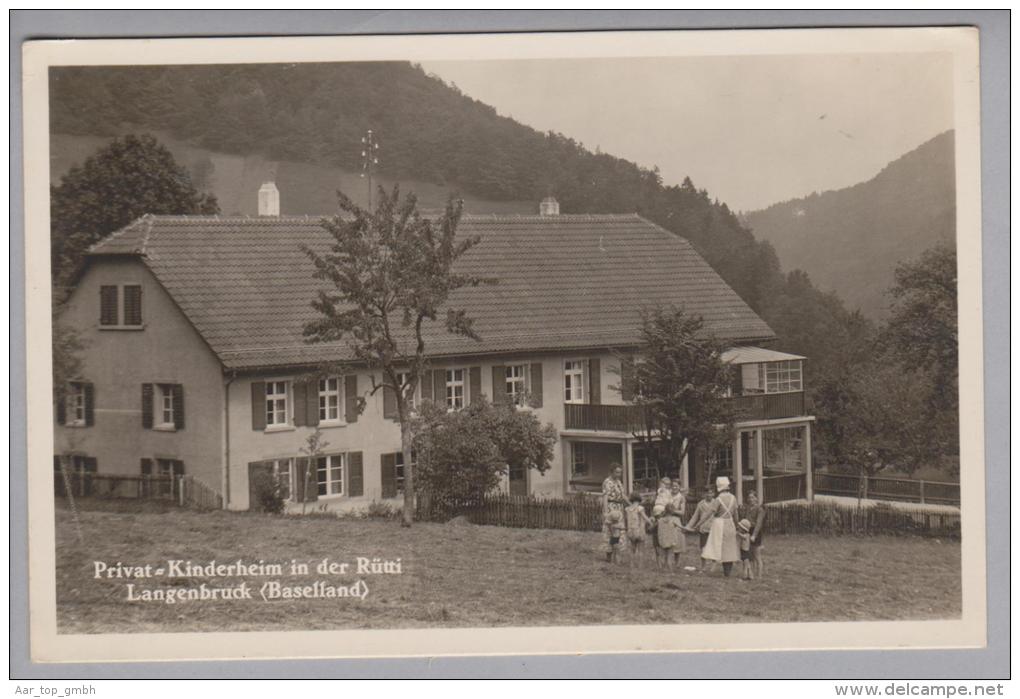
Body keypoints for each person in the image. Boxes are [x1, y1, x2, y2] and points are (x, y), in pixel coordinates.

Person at [701, 476, 741, 576]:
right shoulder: (733, 498)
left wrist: (699, 523)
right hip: (730, 523)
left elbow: (709, 513)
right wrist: (737, 526)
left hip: (720, 524)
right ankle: (727, 572)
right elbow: (736, 515)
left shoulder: (718, 500)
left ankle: (719, 569)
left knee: (718, 546)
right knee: (729, 548)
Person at [657, 481, 687, 571]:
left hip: (675, 519)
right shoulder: (667, 495)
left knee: (677, 541)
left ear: (679, 487)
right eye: (673, 486)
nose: (674, 488)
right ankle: (666, 563)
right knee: (666, 541)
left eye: (676, 486)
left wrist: (671, 510)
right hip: (666, 519)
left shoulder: (681, 498)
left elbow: (682, 512)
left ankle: (676, 563)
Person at [600, 464, 628, 562]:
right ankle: (609, 555)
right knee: (610, 531)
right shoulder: (607, 482)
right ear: (612, 472)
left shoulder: (619, 482)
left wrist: (631, 504)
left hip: (619, 508)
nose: (619, 474)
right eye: (617, 472)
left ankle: (617, 555)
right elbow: (605, 497)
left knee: (618, 531)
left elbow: (623, 495)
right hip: (611, 508)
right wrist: (605, 511)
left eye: (620, 472)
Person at [684, 486, 716, 571]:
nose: (709, 495)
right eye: (707, 493)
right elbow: (695, 517)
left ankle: (713, 566)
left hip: (713, 529)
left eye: (710, 493)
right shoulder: (701, 504)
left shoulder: (716, 503)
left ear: (713, 494)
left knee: (713, 548)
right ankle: (703, 566)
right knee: (703, 549)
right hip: (703, 529)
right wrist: (688, 526)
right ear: (704, 494)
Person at [624, 493, 654, 569]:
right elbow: (645, 517)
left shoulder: (627, 509)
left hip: (631, 531)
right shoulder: (640, 508)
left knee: (632, 549)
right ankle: (640, 566)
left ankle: (631, 564)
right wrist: (650, 523)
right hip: (639, 531)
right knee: (641, 549)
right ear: (639, 500)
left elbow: (626, 520)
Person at [741, 489, 767, 579]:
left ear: (756, 498)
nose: (751, 499)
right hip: (748, 531)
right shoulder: (747, 508)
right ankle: (750, 574)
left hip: (755, 532)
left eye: (753, 497)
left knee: (757, 555)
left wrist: (754, 535)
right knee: (749, 555)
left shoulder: (760, 509)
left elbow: (759, 523)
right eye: (749, 497)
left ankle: (759, 576)